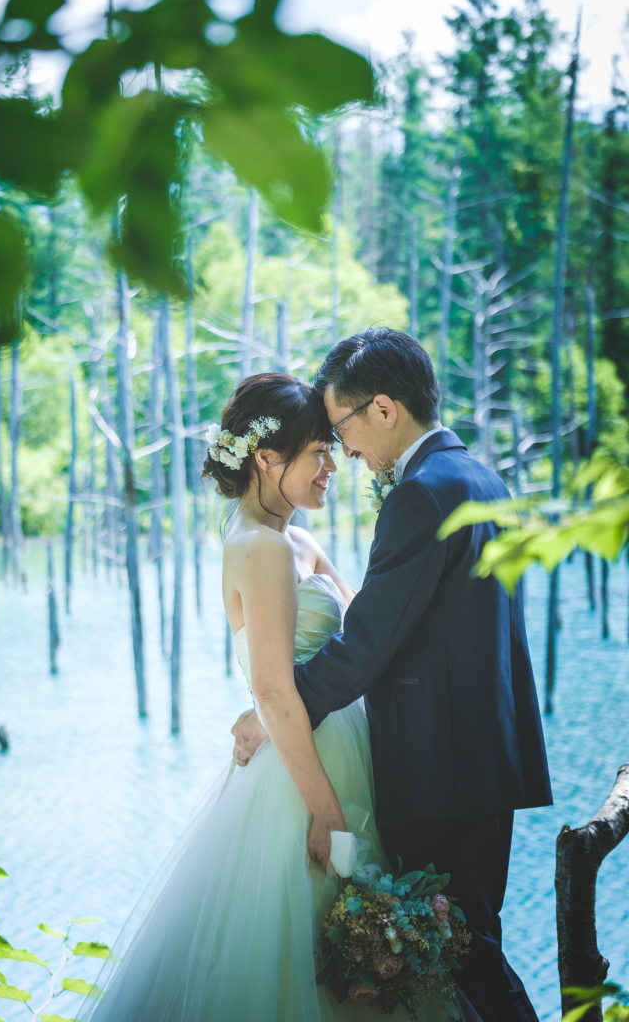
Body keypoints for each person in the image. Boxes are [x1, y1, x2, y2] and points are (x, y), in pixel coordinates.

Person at [77, 372, 480, 1022]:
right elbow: (272, 688)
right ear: (266, 458)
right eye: (317, 450)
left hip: (344, 747)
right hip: (304, 776)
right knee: (307, 954)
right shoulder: (259, 548)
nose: (332, 465)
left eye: (331, 447)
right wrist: (324, 811)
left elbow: (367, 637)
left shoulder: (296, 540)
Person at [232, 330, 553, 1022]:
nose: (343, 451)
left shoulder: (420, 495)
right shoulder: (479, 478)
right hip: (485, 762)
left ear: (382, 409)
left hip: (438, 767)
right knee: (467, 941)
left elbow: (367, 643)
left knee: (461, 952)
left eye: (341, 428)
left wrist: (275, 709)